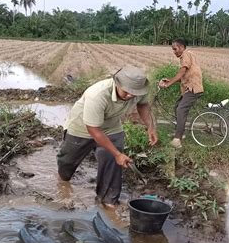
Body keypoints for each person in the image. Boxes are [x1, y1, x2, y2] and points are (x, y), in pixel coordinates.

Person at [57, 65, 158, 208]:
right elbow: (94, 129)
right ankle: (62, 182)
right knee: (67, 164)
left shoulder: (138, 90)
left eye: (134, 93)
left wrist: (151, 127)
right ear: (117, 83)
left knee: (112, 160)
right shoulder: (97, 94)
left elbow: (143, 105)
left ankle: (108, 200)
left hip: (111, 126)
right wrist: (118, 154)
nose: (130, 95)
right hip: (81, 127)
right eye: (127, 92)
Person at [158, 38, 204, 148]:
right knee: (177, 107)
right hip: (189, 88)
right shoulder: (187, 55)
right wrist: (170, 80)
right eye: (172, 49)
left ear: (182, 47)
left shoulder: (186, 54)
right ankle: (180, 133)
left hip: (193, 88)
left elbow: (182, 71)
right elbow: (182, 76)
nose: (174, 52)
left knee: (180, 109)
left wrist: (168, 85)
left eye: (175, 49)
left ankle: (177, 139)